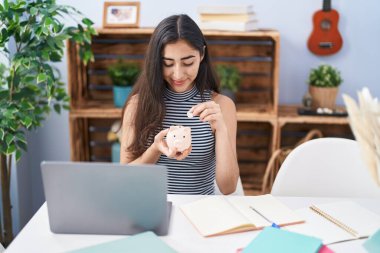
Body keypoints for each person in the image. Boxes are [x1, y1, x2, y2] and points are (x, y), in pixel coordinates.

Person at [120, 14, 239, 195]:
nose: (178, 74)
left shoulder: (221, 106)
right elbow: (126, 178)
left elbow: (228, 187)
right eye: (167, 63)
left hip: (201, 212)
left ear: (202, 55)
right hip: (151, 210)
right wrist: (155, 149)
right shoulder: (137, 105)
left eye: (188, 62)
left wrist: (221, 129)